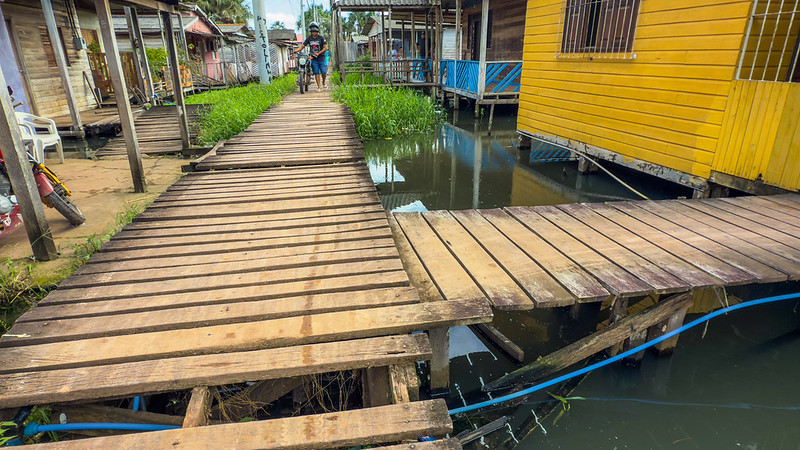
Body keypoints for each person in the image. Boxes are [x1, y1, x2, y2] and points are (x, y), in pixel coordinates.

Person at [295, 22, 329, 90]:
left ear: (317, 31)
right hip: (313, 58)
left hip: (321, 58)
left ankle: (324, 82)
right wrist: (297, 50)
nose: (314, 33)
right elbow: (303, 45)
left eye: (315, 32)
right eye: (312, 32)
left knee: (324, 72)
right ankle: (319, 87)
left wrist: (319, 53)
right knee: (316, 72)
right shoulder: (309, 38)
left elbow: (325, 48)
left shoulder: (321, 38)